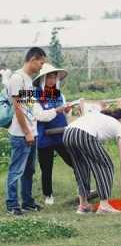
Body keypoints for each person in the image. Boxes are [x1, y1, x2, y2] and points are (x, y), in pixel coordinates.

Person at [63, 109, 121, 214]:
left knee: (81, 167)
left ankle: (83, 205)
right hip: (83, 134)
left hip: (68, 133)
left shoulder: (99, 117)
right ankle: (104, 206)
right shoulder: (118, 125)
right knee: (106, 165)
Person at [5, 47, 46, 216]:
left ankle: (27, 202)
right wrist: (27, 132)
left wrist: (33, 130)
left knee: (29, 170)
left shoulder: (28, 79)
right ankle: (12, 205)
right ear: (33, 59)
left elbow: (27, 108)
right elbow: (17, 109)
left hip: (31, 132)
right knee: (16, 170)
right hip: (21, 134)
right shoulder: (17, 78)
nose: (41, 67)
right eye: (41, 63)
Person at [32, 63, 74, 205]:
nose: (51, 80)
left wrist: (67, 110)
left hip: (61, 134)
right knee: (47, 167)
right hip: (45, 136)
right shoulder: (36, 94)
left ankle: (84, 188)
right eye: (48, 77)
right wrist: (57, 110)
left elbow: (66, 115)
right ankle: (48, 194)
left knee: (74, 161)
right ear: (43, 79)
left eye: (54, 77)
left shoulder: (59, 94)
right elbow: (39, 115)